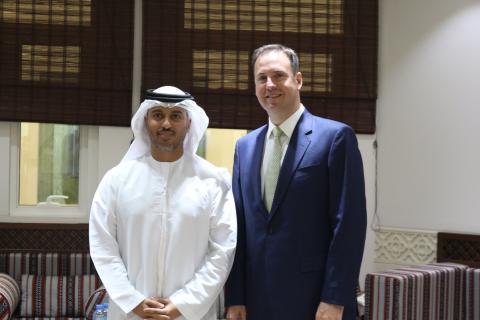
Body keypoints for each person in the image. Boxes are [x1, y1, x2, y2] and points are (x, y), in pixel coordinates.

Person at [225, 44, 367, 320]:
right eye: (261, 78)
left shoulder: (336, 137)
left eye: (279, 76)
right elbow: (239, 227)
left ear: (298, 80)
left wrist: (335, 298)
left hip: (316, 301)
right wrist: (235, 297)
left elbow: (348, 224)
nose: (270, 85)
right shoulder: (245, 146)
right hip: (256, 301)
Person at [89, 86, 237, 320]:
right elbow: (103, 247)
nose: (166, 123)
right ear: (146, 120)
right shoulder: (116, 181)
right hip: (132, 314)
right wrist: (134, 301)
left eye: (176, 116)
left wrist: (182, 304)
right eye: (158, 115)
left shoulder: (213, 181)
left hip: (190, 314)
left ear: (188, 122)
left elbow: (222, 251)